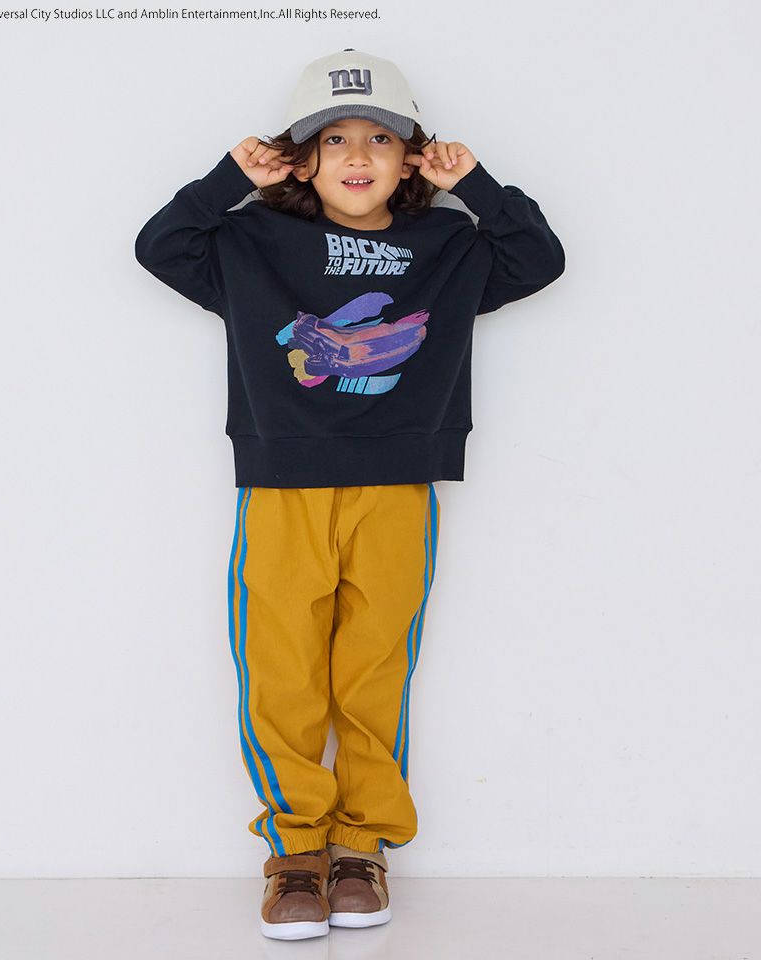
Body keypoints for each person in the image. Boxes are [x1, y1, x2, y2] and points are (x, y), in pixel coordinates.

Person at [134, 47, 565, 941]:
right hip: (283, 485)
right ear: (302, 159)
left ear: (411, 159)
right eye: (334, 139)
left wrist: (473, 185)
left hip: (399, 484)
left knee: (374, 671)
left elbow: (539, 258)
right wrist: (232, 179)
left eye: (381, 138)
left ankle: (362, 847)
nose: (358, 154)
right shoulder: (250, 242)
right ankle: (295, 851)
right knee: (283, 669)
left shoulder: (447, 247)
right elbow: (160, 246)